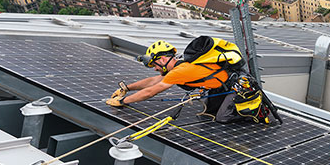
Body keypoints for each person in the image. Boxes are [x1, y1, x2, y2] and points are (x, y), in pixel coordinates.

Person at [105, 39, 259, 123]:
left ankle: (253, 112)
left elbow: (151, 91)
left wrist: (123, 101)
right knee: (208, 111)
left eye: (155, 65)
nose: (155, 69)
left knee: (222, 118)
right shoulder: (180, 65)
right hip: (225, 87)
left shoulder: (180, 71)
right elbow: (153, 81)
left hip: (239, 88)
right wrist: (127, 88)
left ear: (163, 59)